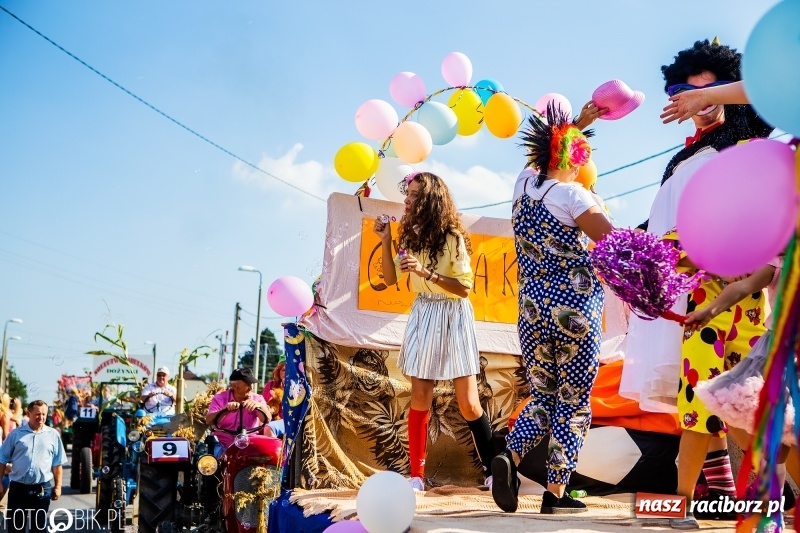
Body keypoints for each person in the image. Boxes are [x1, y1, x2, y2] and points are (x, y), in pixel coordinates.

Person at [490, 102, 613, 514]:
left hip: (531, 311)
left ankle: (510, 456)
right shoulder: (573, 194)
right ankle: (555, 495)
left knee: (543, 394)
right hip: (573, 311)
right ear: (576, 160)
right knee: (574, 401)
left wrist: (579, 123)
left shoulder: (523, 185)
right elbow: (612, 243)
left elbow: (540, 156)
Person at [372, 171, 495, 492]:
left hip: (453, 313)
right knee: (420, 397)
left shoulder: (452, 236)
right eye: (407, 194)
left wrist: (427, 272)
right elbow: (388, 279)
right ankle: (416, 476)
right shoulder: (409, 234)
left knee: (468, 402)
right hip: (424, 311)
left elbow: (464, 289)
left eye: (413, 195)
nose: (407, 200)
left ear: (429, 200)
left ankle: (494, 467)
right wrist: (385, 241)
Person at [688, 258, 787, 529]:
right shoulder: (780, 262)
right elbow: (743, 286)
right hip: (781, 351)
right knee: (776, 440)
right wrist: (709, 311)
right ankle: (771, 514)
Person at [0, 400, 66, 533]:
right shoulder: (16, 435)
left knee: (39, 528)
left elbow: (57, 464)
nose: (41, 417)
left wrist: (58, 486)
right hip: (18, 489)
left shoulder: (53, 435)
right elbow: (2, 460)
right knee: (16, 528)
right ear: (28, 414)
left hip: (41, 489)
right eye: (37, 414)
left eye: (43, 414)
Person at [206, 368, 270, 458]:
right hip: (222, 445)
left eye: (251, 384)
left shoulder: (257, 399)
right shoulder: (220, 398)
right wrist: (225, 410)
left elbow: (267, 419)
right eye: (247, 384)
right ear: (234, 386)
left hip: (250, 445)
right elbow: (209, 421)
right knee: (213, 463)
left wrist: (258, 406)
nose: (251, 388)